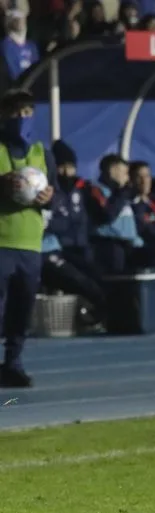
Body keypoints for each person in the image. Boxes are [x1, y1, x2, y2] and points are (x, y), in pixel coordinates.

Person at [0, 89, 55, 388]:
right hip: (1, 242)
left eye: (27, 113)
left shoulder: (41, 152)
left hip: (30, 244)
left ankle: (12, 362)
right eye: (15, 113)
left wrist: (48, 197)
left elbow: (55, 196)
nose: (22, 119)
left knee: (21, 309)